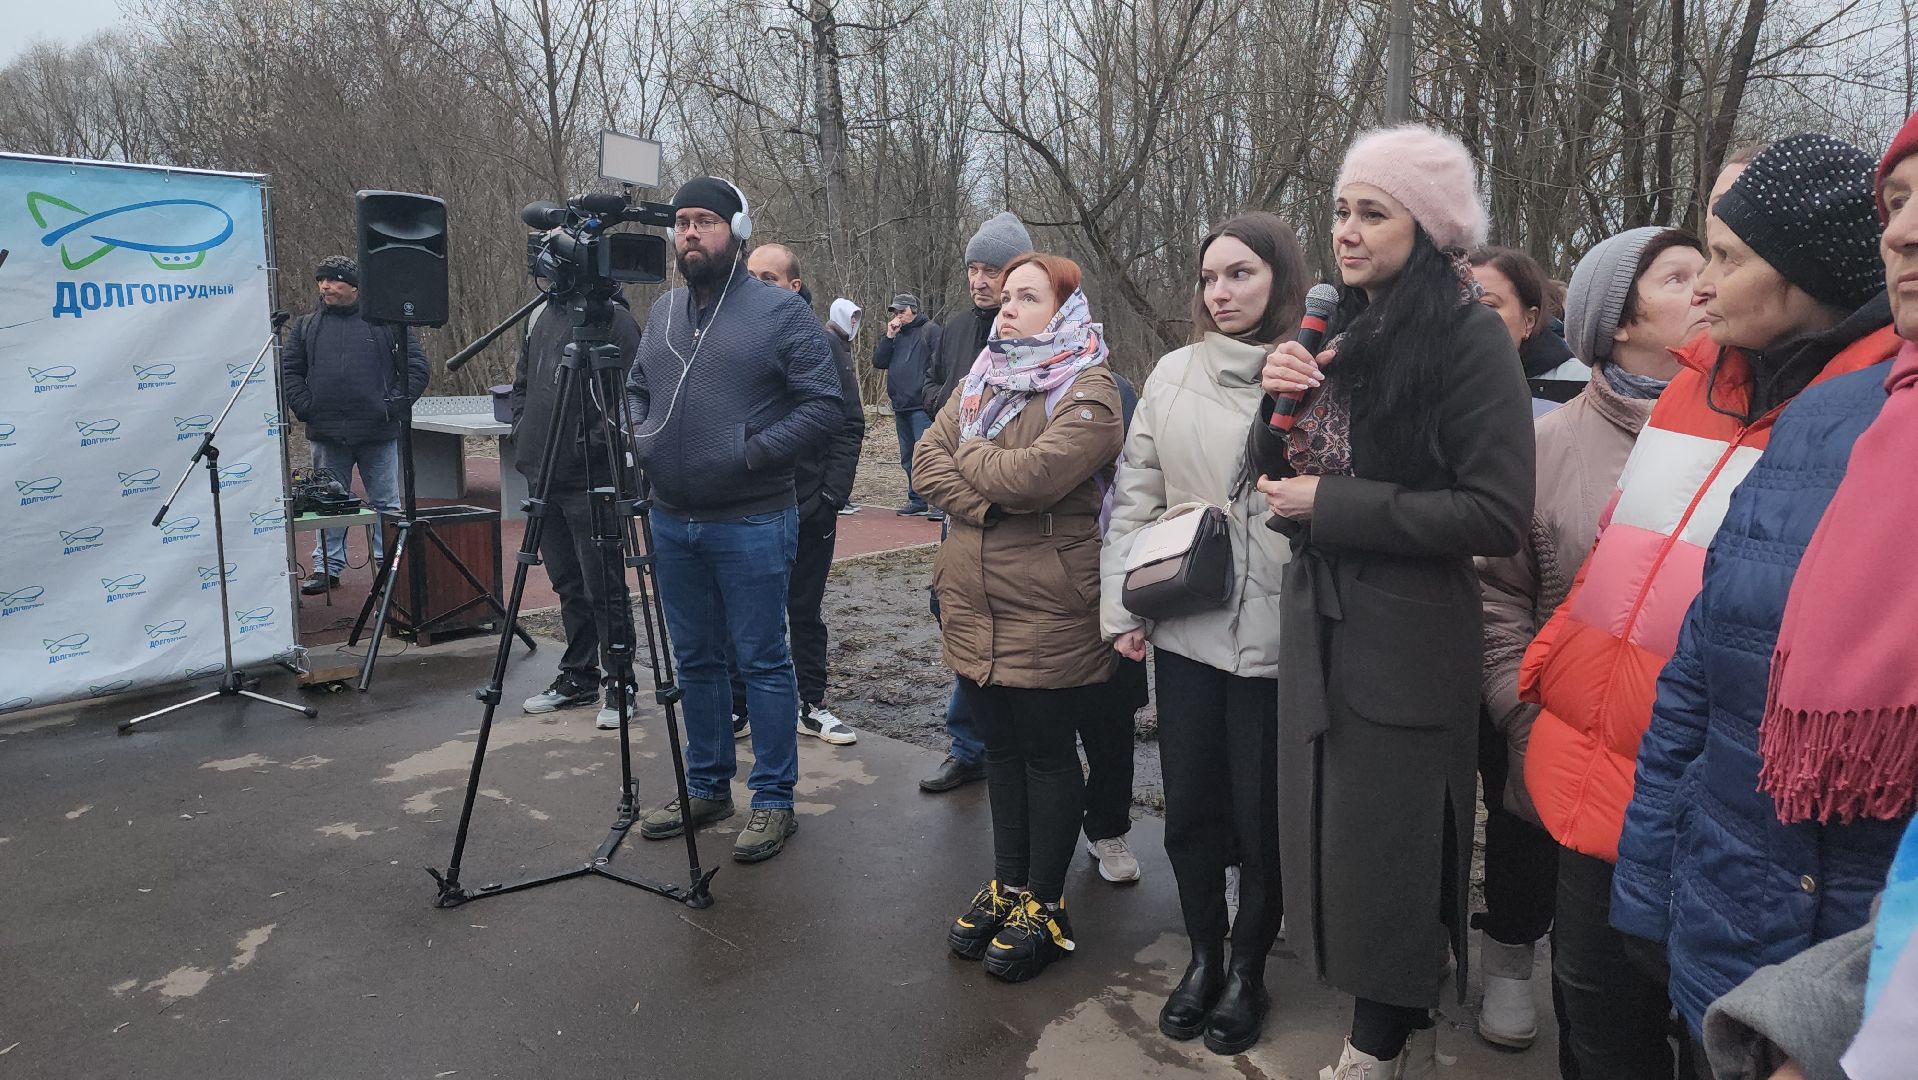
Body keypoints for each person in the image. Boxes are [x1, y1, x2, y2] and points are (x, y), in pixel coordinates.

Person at [1521, 134, 1901, 1078]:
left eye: (1726, 258)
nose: (1701, 283)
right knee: (1596, 1038)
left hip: (1728, 817)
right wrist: (1538, 686)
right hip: (1597, 774)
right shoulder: (1694, 382)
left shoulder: (1871, 412)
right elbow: (1617, 555)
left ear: (1804, 274)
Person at [1249, 124, 1534, 1077]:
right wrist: (1274, 399)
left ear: (1432, 224)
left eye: (1374, 212)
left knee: (1393, 846)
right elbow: (1275, 470)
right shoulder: (1341, 324)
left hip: (1409, 635)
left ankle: (1375, 1048)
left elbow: (1496, 513)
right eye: (1340, 210)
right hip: (1324, 615)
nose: (1348, 232)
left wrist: (1336, 505)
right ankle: (1388, 1020)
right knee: (1334, 835)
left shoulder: (1467, 332)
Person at [1473, 225, 1707, 1055]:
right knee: (1601, 1005)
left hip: (1702, 781)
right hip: (1576, 758)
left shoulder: (1754, 435)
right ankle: (1508, 964)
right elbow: (1496, 595)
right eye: (1679, 276)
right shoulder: (1545, 445)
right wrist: (1521, 713)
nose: (1706, 288)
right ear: (1618, 323)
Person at [1100, 211, 1304, 1055]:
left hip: (1280, 643)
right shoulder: (1172, 373)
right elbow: (1133, 498)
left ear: (1282, 281)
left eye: (1242, 274)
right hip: (1187, 629)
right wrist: (1123, 610)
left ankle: (1251, 966)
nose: (1221, 293)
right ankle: (1204, 954)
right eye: (1211, 277)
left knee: (1263, 821)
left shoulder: (1321, 374)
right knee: (1188, 811)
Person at [915, 252, 1124, 983]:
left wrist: (975, 471)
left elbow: (1039, 477)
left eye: (1025, 297)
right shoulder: (983, 378)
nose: (1004, 308)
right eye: (1004, 297)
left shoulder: (1089, 387)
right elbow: (922, 465)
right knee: (999, 749)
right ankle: (1008, 884)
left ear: (1063, 310)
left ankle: (1046, 902)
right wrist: (994, 496)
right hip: (972, 600)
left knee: (1044, 752)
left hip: (1049, 606)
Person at [623, 178, 844, 864]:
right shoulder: (660, 314)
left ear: (736, 230)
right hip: (672, 520)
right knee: (697, 662)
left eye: (706, 222)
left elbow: (824, 404)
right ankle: (708, 786)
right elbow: (634, 388)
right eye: (683, 222)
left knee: (763, 660)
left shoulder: (778, 313)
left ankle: (774, 800)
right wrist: (643, 442)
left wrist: (751, 452)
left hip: (752, 519)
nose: (691, 233)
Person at [725, 242, 865, 745]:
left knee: (802, 610)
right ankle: (739, 706)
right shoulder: (732, 335)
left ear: (794, 286)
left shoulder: (821, 342)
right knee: (741, 612)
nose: (759, 285)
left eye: (770, 278)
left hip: (808, 505)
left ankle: (810, 703)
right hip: (746, 505)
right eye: (752, 276)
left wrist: (830, 496)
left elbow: (849, 425)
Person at [918, 210, 1034, 795]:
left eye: (993, 269)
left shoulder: (1047, 331)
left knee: (1013, 627)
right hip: (957, 507)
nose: (980, 280)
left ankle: (1016, 748)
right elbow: (935, 394)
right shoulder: (957, 328)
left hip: (1017, 509)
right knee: (959, 617)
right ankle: (968, 746)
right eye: (974, 269)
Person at [509, 292, 644, 729]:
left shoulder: (615, 319)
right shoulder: (541, 315)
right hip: (543, 474)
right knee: (568, 583)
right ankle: (578, 675)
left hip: (592, 476)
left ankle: (620, 682)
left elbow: (631, 396)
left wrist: (594, 445)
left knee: (602, 585)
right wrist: (522, 429)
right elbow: (523, 381)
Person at [280, 255, 429, 594]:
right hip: (327, 433)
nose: (325, 286)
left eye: (333, 280)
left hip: (378, 432)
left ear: (355, 287)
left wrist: (389, 406)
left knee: (386, 505)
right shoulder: (306, 326)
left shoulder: (387, 324)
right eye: (321, 280)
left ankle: (388, 566)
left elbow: (416, 369)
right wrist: (306, 407)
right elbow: (290, 371)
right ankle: (327, 568)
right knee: (326, 506)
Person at [871, 292, 943, 518]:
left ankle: (939, 502)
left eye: (902, 311)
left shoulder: (930, 331)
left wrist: (932, 394)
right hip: (900, 404)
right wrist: (889, 336)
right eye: (895, 312)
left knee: (928, 454)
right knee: (908, 457)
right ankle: (917, 499)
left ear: (914, 309)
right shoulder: (897, 335)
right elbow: (878, 361)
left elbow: (941, 363)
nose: (898, 316)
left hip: (922, 405)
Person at [1469, 246, 1588, 383]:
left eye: (1487, 305)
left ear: (1529, 320)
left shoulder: (1580, 386)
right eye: (1456, 307)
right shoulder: (1445, 386)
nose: (1468, 318)